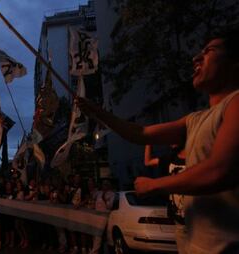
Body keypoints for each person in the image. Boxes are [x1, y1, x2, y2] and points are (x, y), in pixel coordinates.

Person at [77, 28, 239, 253]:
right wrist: (99, 113)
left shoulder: (235, 103)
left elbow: (220, 171)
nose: (196, 58)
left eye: (209, 51)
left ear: (235, 63)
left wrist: (154, 185)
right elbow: (141, 133)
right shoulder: (194, 119)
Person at [145, 144, 187, 225]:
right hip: (178, 219)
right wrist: (149, 143)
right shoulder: (170, 159)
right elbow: (148, 162)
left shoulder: (194, 156)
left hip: (196, 215)